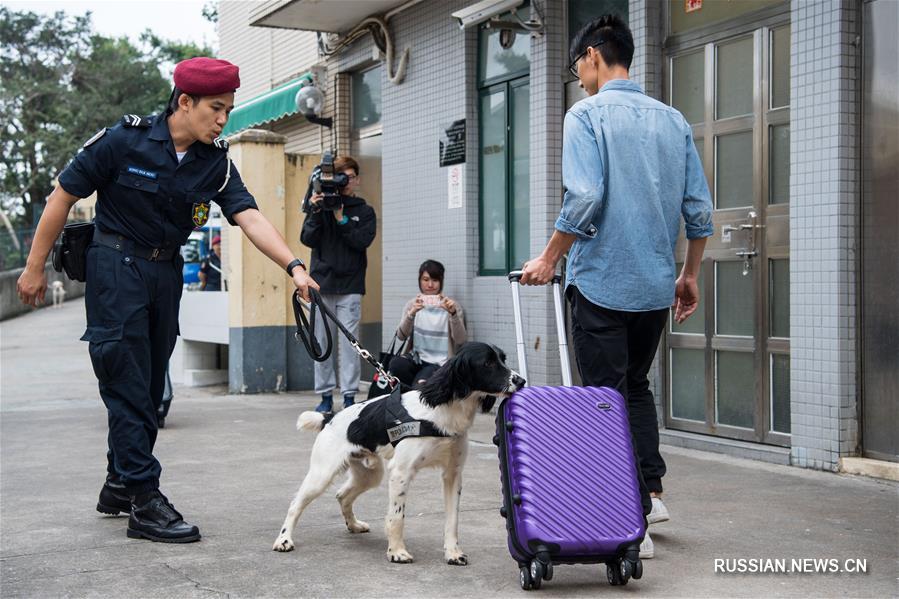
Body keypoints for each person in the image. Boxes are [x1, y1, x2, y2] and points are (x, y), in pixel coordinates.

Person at [16, 57, 318, 544]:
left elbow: (250, 217)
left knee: (152, 386)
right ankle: (143, 498)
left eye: (229, 110)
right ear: (185, 101)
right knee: (126, 380)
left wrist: (295, 267)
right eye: (216, 109)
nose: (223, 119)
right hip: (116, 267)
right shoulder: (123, 141)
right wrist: (33, 267)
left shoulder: (212, 160)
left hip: (164, 273)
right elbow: (61, 196)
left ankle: (119, 482)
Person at [520, 15, 713, 560]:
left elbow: (583, 197)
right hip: (655, 285)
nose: (577, 75)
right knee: (634, 388)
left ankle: (629, 522)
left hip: (602, 281)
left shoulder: (585, 114)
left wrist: (548, 258)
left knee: (602, 399)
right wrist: (689, 274)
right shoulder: (671, 120)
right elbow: (699, 211)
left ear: (592, 57)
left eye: (576, 64)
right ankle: (651, 490)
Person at [301, 156, 376, 413]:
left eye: (351, 176)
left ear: (357, 179)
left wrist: (342, 219)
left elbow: (361, 242)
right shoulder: (320, 206)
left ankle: (348, 397)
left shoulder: (364, 211)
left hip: (351, 286)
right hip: (321, 284)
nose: (346, 182)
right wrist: (314, 210)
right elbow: (307, 239)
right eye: (341, 177)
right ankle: (324, 395)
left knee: (350, 344)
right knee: (320, 342)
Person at [388, 260, 467, 389]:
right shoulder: (412, 304)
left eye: (435, 280)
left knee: (421, 385)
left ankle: (413, 393)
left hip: (439, 363)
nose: (430, 285)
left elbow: (461, 339)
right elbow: (401, 336)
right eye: (425, 279)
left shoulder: (452, 306)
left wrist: (453, 314)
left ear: (441, 281)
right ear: (419, 280)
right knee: (396, 365)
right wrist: (411, 314)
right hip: (416, 359)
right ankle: (407, 395)